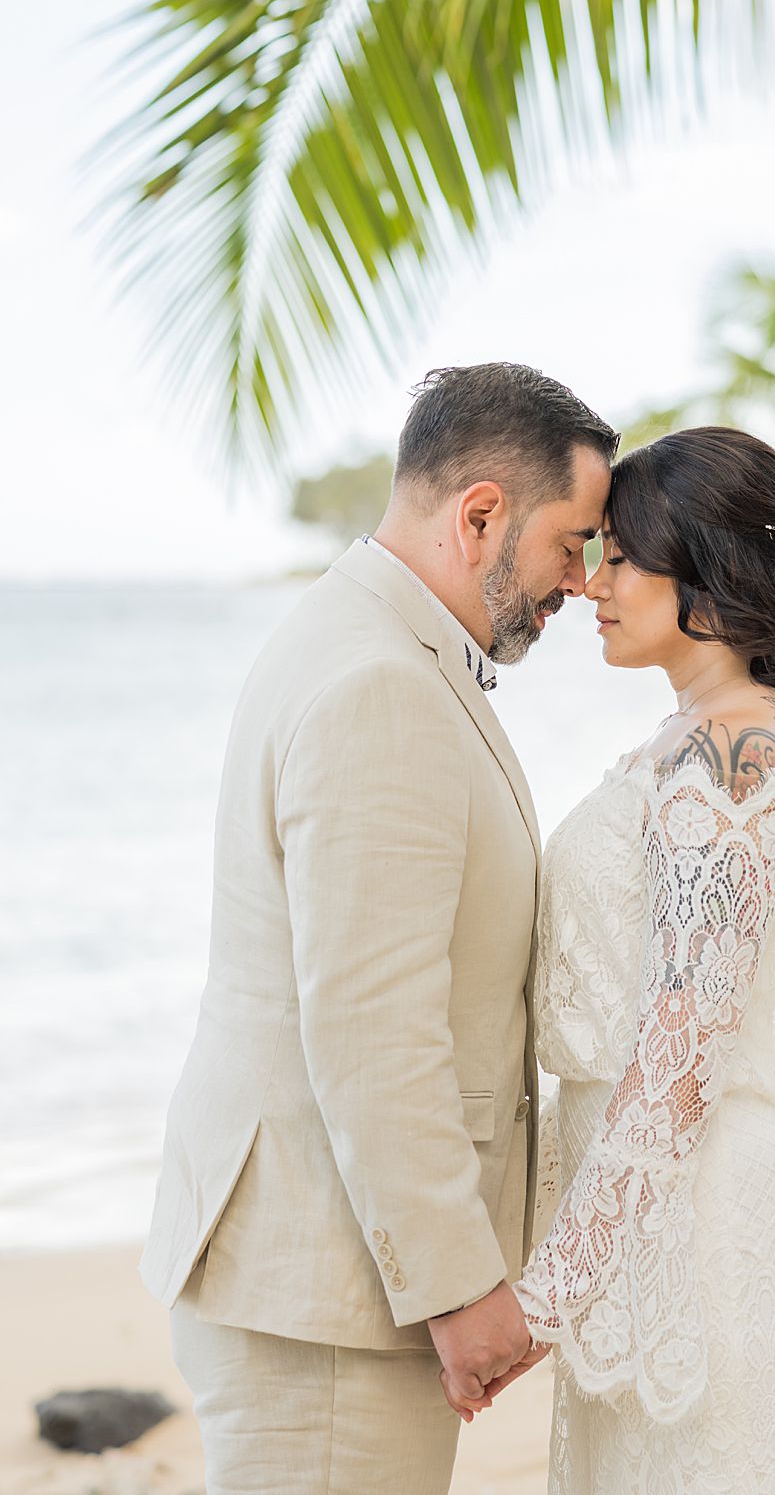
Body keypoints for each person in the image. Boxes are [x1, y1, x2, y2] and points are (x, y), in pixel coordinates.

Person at [140, 361, 617, 1495]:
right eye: (571, 541)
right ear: (482, 513)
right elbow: (370, 1026)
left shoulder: (370, 640)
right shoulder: (379, 686)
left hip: (322, 1274)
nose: (579, 580)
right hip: (326, 1298)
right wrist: (459, 1287)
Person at [505, 424, 775, 1492]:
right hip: (669, 1208)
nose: (591, 584)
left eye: (622, 555)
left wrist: (547, 1296)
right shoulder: (705, 734)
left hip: (714, 1220)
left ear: (705, 573)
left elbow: (679, 1060)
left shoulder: (734, 750)